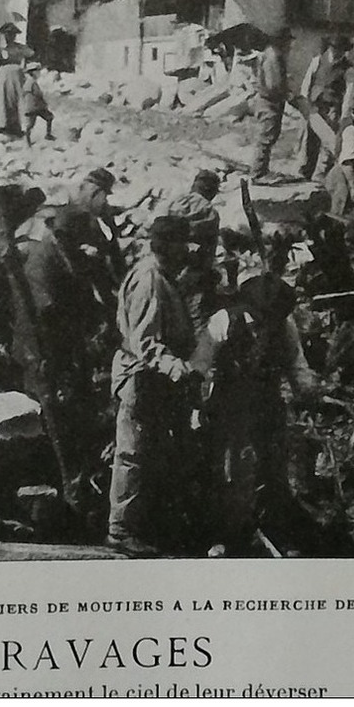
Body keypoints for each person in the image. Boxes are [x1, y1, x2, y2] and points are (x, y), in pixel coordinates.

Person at [192, 233, 317, 556]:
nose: (265, 328)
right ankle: (226, 534)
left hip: (266, 401)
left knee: (273, 466)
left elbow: (296, 362)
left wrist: (309, 393)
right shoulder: (223, 322)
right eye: (261, 320)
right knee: (230, 470)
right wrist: (198, 406)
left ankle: (275, 529)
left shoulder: (283, 325)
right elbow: (200, 367)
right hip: (229, 403)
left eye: (271, 321)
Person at [107, 213, 200, 556]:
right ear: (168, 245)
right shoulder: (149, 279)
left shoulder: (162, 275)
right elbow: (144, 342)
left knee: (153, 452)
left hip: (153, 378)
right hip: (141, 377)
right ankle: (120, 530)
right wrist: (178, 369)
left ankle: (146, 525)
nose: (186, 250)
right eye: (181, 243)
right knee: (133, 454)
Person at [24, 204, 111, 509]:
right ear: (62, 234)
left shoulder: (66, 254)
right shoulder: (42, 261)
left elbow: (86, 294)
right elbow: (48, 313)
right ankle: (63, 482)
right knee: (54, 416)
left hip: (68, 349)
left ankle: (81, 477)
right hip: (46, 352)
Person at [165, 169, 223, 334]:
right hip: (193, 272)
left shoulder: (176, 201)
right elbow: (206, 248)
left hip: (168, 265)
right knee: (194, 318)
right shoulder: (210, 211)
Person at [297, 34, 351, 180]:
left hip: (333, 106)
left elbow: (348, 93)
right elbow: (306, 83)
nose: (336, 51)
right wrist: (305, 103)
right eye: (334, 48)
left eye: (340, 49)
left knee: (328, 139)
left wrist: (345, 114)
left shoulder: (347, 68)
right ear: (330, 47)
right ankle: (305, 171)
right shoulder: (317, 61)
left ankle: (322, 172)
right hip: (314, 105)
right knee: (310, 139)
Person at [250, 27, 292, 182]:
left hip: (268, 101)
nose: (290, 45)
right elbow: (273, 84)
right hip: (269, 102)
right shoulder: (273, 57)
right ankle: (258, 173)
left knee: (268, 136)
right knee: (266, 136)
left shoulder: (269, 54)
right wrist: (286, 92)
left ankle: (261, 170)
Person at [321, 102, 354, 224]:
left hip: (351, 175)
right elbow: (347, 160)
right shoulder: (351, 129)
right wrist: (353, 187)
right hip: (343, 177)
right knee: (340, 216)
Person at [0, 38, 27, 138]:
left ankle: (18, 125)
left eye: (10, 35)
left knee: (15, 97)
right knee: (3, 98)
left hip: (14, 74)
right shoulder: (2, 50)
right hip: (5, 74)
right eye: (7, 35)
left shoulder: (19, 48)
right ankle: (2, 123)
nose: (8, 38)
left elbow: (30, 55)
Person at [20, 59, 55, 144]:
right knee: (50, 117)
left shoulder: (27, 82)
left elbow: (24, 94)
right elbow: (38, 94)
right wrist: (44, 103)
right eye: (37, 71)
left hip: (29, 107)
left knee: (30, 125)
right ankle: (48, 135)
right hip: (37, 107)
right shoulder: (33, 83)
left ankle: (27, 142)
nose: (39, 73)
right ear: (33, 72)